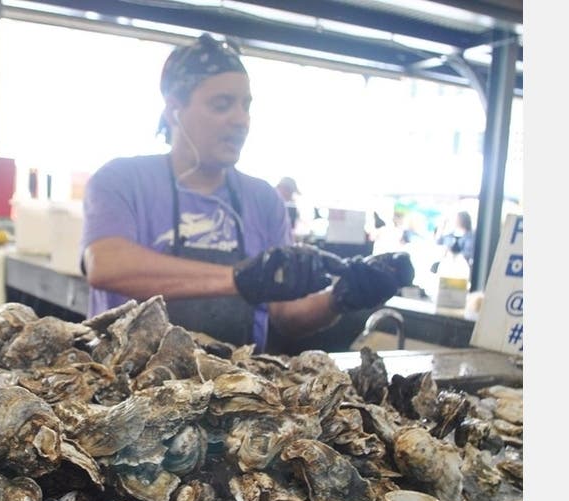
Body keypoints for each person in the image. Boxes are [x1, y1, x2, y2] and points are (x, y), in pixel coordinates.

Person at [80, 33, 414, 351]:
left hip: (236, 391)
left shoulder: (263, 199)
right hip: (127, 391)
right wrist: (239, 278)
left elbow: (287, 315)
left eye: (246, 105)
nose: (241, 120)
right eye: (222, 105)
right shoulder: (123, 179)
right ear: (174, 110)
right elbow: (107, 265)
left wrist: (339, 299)